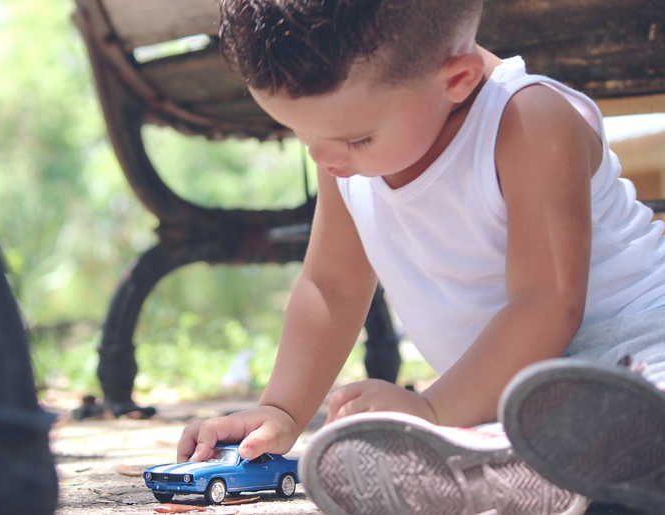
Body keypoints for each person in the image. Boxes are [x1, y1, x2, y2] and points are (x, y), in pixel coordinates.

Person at [176, 0, 665, 513]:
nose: (322, 156)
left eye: (354, 137)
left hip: (634, 352)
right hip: (499, 394)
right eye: (300, 133)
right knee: (506, 431)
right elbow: (333, 286)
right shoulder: (345, 149)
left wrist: (433, 409)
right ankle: (522, 472)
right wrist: (280, 411)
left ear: (456, 80)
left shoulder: (528, 119)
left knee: (630, 403)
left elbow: (546, 303)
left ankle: (555, 463)